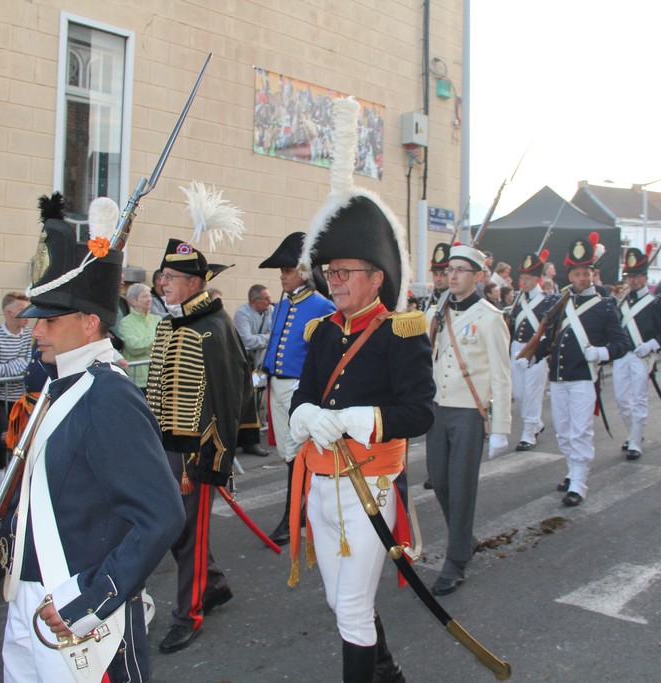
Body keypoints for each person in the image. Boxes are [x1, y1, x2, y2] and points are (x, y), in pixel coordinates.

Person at [0, 194, 184, 683]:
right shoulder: (58, 388)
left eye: (50, 320)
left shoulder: (109, 395)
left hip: (76, 614)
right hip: (24, 601)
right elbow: (22, 509)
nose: (35, 331)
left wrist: (90, 600)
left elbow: (161, 516)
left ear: (90, 322)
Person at [287, 96, 434, 683]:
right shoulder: (323, 331)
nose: (335, 281)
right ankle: (388, 671)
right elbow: (301, 396)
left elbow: (419, 412)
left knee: (350, 608)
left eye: (345, 272)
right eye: (330, 272)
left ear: (376, 277)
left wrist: (357, 419)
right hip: (319, 484)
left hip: (369, 484)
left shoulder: (401, 332)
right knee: (341, 603)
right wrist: (305, 419)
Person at [148, 239, 255, 654]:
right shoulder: (169, 324)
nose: (163, 283)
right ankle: (211, 584)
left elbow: (230, 396)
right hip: (165, 447)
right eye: (162, 276)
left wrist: (215, 457)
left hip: (197, 453)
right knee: (174, 529)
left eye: (171, 277)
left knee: (190, 534)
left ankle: (188, 615)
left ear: (195, 283)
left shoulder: (214, 328)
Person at [425, 243, 510, 596]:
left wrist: (501, 427)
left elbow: (502, 376)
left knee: (461, 487)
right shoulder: (438, 310)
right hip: (437, 409)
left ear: (477, 277)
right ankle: (465, 538)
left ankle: (456, 559)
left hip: (468, 413)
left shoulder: (490, 318)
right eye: (450, 270)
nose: (452, 275)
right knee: (439, 482)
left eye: (461, 270)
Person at [534, 233, 631, 506]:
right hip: (559, 377)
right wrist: (532, 355)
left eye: (587, 273)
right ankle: (571, 469)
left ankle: (579, 482)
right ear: (570, 275)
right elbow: (551, 339)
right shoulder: (560, 303)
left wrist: (601, 353)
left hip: (584, 378)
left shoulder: (605, 306)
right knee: (563, 431)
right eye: (577, 273)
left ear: (592, 274)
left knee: (580, 432)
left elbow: (622, 344)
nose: (583, 278)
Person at [258, 232, 335, 546]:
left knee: (299, 454)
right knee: (289, 454)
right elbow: (276, 342)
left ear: (303, 272)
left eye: (287, 271)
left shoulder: (322, 306)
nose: (282, 276)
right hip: (277, 385)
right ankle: (302, 508)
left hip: (300, 388)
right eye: (282, 271)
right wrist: (264, 370)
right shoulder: (282, 305)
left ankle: (293, 515)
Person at [612, 247, 661, 460]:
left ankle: (635, 441)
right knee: (621, 401)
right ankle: (633, 433)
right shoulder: (622, 302)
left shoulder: (656, 302)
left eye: (637, 276)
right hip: (622, 355)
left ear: (645, 277)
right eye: (630, 276)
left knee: (639, 399)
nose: (633, 280)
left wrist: (650, 345)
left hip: (642, 356)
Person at [0, 291, 32, 494]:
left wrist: (17, 365)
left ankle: (16, 478)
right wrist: (21, 363)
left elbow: (29, 364)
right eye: (23, 310)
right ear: (9, 313)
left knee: (22, 436)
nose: (28, 314)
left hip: (19, 395)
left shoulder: (28, 335)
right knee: (4, 435)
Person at [509, 250, 558, 451]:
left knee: (532, 393)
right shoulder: (518, 300)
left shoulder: (547, 301)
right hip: (516, 348)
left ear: (537, 279)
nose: (524, 282)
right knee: (519, 393)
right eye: (522, 278)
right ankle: (536, 423)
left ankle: (529, 433)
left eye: (528, 278)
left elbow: (551, 329)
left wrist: (540, 349)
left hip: (536, 350)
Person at [233, 284, 272, 457]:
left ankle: (251, 442)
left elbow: (275, 334)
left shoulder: (271, 311)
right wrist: (267, 338)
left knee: (255, 401)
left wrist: (263, 339)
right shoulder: (242, 314)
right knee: (245, 402)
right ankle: (239, 440)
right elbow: (246, 340)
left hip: (259, 365)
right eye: (266, 299)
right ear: (254, 300)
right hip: (244, 364)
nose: (269, 302)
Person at [116, 283, 161, 391]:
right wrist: (156, 339)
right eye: (144, 296)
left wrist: (147, 342)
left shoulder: (157, 319)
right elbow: (134, 346)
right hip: (137, 380)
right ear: (133, 301)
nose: (149, 299)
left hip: (158, 377)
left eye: (150, 296)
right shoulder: (125, 322)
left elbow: (166, 344)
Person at [424, 242, 451, 312]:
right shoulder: (430, 299)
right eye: (435, 274)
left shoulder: (456, 300)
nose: (438, 279)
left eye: (443, 274)